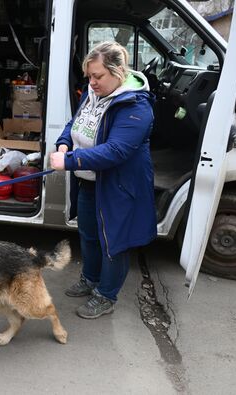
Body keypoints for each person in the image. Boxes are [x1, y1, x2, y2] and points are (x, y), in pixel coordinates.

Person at [49, 42, 157, 319]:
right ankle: (90, 278)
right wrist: (64, 143)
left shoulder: (136, 105)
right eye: (89, 76)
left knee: (113, 242)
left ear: (118, 72)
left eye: (98, 76)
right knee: (88, 234)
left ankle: (106, 295)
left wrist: (70, 161)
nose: (92, 82)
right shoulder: (93, 93)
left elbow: (117, 150)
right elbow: (75, 123)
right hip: (89, 180)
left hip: (118, 185)